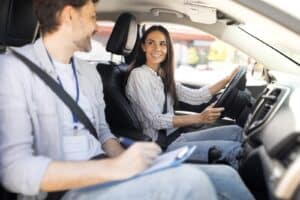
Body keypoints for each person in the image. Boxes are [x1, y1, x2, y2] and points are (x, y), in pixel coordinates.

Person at [0, 0, 254, 199]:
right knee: (193, 182)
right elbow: (15, 171)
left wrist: (125, 160)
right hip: (65, 190)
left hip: (104, 171)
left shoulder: (88, 73)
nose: (96, 27)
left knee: (225, 177)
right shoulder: (12, 70)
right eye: (91, 17)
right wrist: (113, 169)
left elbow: (102, 132)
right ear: (69, 15)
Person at [126, 25, 244, 167]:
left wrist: (227, 79)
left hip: (177, 136)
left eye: (162, 44)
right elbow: (155, 120)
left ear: (168, 48)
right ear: (143, 47)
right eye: (151, 43)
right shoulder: (138, 75)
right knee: (233, 150)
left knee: (237, 132)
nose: (157, 48)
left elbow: (197, 96)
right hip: (161, 146)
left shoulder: (162, 75)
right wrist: (200, 118)